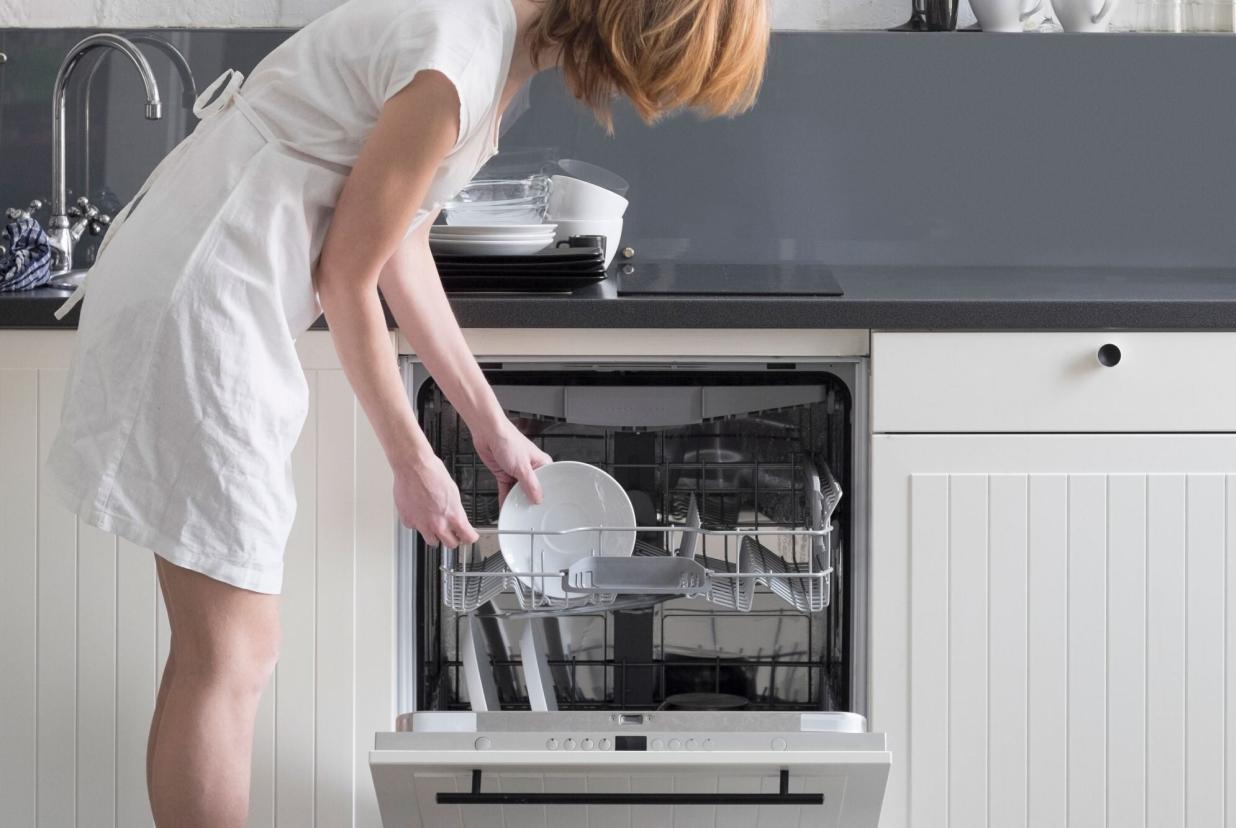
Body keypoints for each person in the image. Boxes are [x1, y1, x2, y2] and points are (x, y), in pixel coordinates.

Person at [45, 0, 769, 824]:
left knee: (219, 652)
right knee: (231, 653)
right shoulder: (458, 61)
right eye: (658, 78)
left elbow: (402, 244)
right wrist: (412, 458)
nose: (646, 98)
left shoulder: (491, 50)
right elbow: (348, 272)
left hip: (217, 288)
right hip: (204, 301)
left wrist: (490, 426)